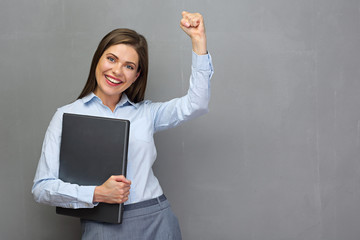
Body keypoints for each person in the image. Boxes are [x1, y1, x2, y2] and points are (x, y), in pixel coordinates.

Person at [32, 11, 213, 239]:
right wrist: (96, 193)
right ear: (98, 59)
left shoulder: (147, 113)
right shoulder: (66, 115)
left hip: (157, 219)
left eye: (129, 66)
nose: (117, 71)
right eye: (111, 59)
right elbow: (42, 188)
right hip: (102, 225)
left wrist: (199, 42)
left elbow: (196, 104)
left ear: (136, 75)